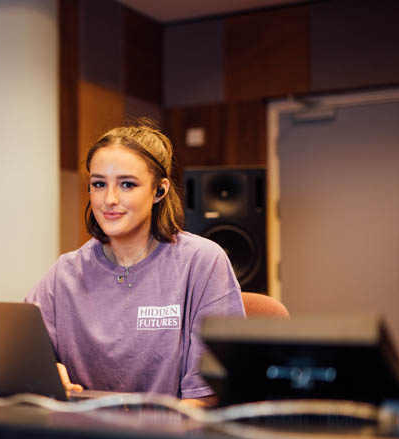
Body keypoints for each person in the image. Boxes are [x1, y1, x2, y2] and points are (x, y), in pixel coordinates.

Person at [26, 118, 244, 407]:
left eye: (127, 184)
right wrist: (45, 372)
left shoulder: (202, 261)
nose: (109, 199)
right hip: (81, 438)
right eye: (99, 184)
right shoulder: (64, 273)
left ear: (159, 191)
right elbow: (19, 356)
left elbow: (209, 394)